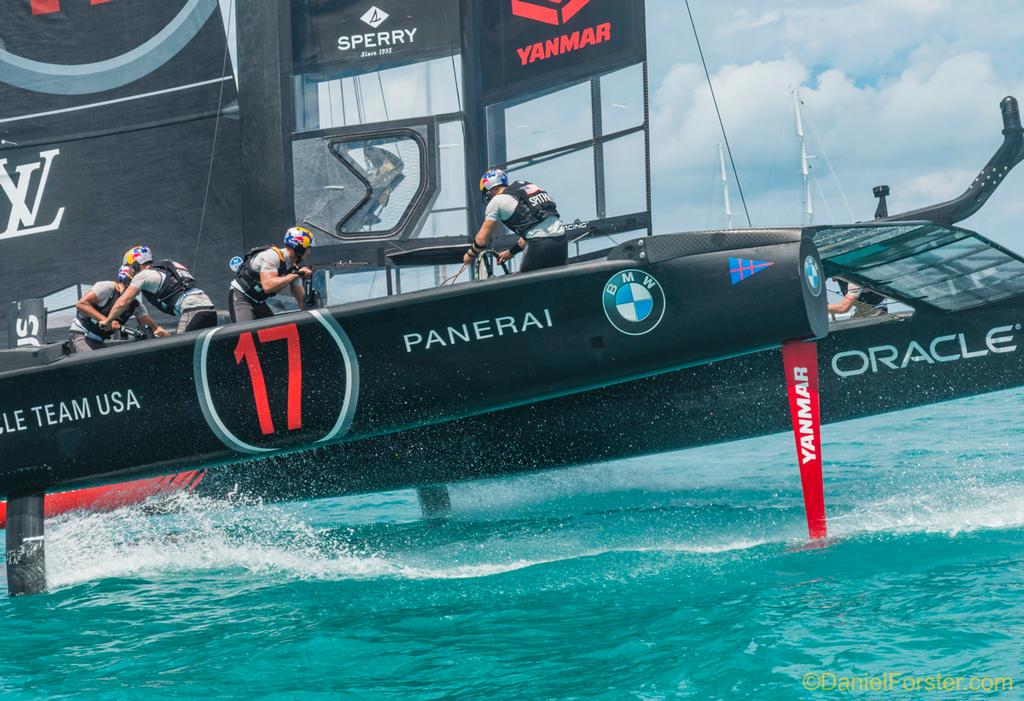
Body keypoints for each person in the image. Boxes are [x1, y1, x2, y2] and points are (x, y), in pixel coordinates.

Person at [463, 168, 568, 273]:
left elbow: (482, 239)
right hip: (561, 242)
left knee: (524, 286)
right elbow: (533, 230)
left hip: (539, 245)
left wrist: (470, 254)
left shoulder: (496, 201)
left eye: (486, 191)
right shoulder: (525, 188)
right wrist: (511, 252)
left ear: (491, 188)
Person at [100, 246, 218, 334]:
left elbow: (123, 302)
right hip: (210, 309)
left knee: (179, 352)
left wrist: (108, 320)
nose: (130, 271)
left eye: (130, 266)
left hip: (192, 311)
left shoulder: (143, 275)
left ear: (137, 263)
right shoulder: (166, 267)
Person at [68, 266, 170, 353]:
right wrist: (107, 321)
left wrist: (171, 338)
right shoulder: (107, 287)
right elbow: (81, 304)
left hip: (98, 342)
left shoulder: (136, 306)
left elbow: (155, 329)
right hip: (81, 335)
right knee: (98, 367)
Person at [228, 227, 314, 322]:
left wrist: (314, 319)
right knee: (245, 333)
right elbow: (268, 286)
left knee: (274, 334)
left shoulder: (294, 269)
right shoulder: (273, 256)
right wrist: (295, 275)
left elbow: (301, 301)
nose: (309, 252)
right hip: (241, 296)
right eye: (308, 248)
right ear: (299, 247)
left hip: (258, 301)